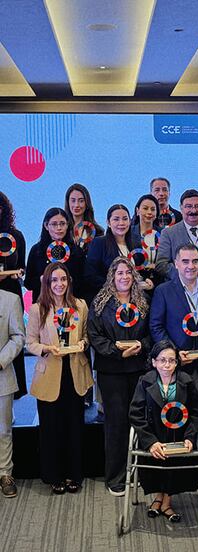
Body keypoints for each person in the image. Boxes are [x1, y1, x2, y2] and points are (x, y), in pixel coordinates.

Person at [26, 263, 92, 494]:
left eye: (63, 279)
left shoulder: (80, 305)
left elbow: (86, 336)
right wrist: (46, 349)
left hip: (75, 373)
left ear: (69, 281)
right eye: (54, 280)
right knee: (51, 429)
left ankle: (74, 474)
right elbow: (30, 342)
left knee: (74, 427)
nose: (59, 284)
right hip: (50, 374)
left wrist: (83, 343)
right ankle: (54, 475)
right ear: (47, 283)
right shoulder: (38, 309)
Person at [87, 257, 151, 496]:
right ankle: (116, 478)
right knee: (116, 425)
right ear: (112, 277)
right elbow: (94, 336)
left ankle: (140, 473)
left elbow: (152, 332)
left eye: (128, 272)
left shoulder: (144, 301)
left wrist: (141, 346)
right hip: (111, 371)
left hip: (139, 370)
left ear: (134, 276)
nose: (124, 277)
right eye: (119, 273)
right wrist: (117, 352)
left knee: (140, 422)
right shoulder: (100, 303)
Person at [150, 244, 198, 434]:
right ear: (176, 263)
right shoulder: (163, 291)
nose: (190, 266)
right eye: (185, 261)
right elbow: (156, 326)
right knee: (173, 420)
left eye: (194, 261)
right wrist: (173, 354)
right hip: (174, 368)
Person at [129, 340, 198, 522]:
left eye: (171, 360)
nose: (167, 365)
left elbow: (196, 413)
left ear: (177, 362)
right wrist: (150, 442)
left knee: (173, 463)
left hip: (179, 436)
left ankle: (166, 501)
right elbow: (135, 414)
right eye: (162, 360)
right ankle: (158, 497)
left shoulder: (187, 381)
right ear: (154, 362)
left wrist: (190, 437)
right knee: (156, 460)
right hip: (153, 435)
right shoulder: (144, 381)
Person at [85, 205, 148, 302]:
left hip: (134, 299)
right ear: (108, 222)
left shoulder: (136, 244)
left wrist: (147, 280)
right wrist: (116, 287)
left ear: (130, 221)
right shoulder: (99, 243)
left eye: (125, 219)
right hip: (108, 300)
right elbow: (91, 275)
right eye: (116, 219)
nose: (121, 223)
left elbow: (140, 271)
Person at [0, 192, 27, 397]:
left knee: (14, 338)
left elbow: (22, 267)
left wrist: (16, 274)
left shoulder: (16, 236)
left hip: (11, 294)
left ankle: (15, 391)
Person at [25, 208, 84, 302]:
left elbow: (83, 282)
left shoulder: (76, 252)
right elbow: (28, 283)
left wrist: (68, 281)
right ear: (46, 225)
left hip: (70, 304)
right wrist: (43, 279)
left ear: (68, 225)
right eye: (54, 224)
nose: (59, 228)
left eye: (62, 223)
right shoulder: (36, 250)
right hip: (43, 304)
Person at [0, 289, 25, 498]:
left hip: (2, 375)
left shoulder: (11, 300)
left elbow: (18, 336)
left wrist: (1, 361)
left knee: (3, 429)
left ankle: (5, 474)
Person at [130, 194, 162, 292]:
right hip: (134, 285)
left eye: (153, 209)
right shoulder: (128, 233)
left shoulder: (164, 234)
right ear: (137, 211)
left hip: (159, 283)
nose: (149, 212)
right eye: (145, 208)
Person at [64, 183, 105, 253]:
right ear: (68, 202)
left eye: (81, 201)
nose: (76, 205)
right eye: (73, 200)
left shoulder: (97, 232)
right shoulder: (61, 230)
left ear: (87, 203)